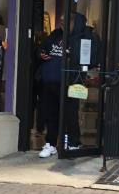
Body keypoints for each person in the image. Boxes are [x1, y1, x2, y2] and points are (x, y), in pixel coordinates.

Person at [36, 12, 101, 157]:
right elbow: (43, 48)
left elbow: (92, 58)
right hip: (50, 82)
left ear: (75, 22)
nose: (62, 23)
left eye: (66, 21)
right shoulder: (55, 34)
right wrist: (41, 53)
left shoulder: (84, 36)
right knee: (51, 114)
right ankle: (51, 144)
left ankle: (73, 143)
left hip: (71, 82)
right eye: (61, 20)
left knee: (70, 114)